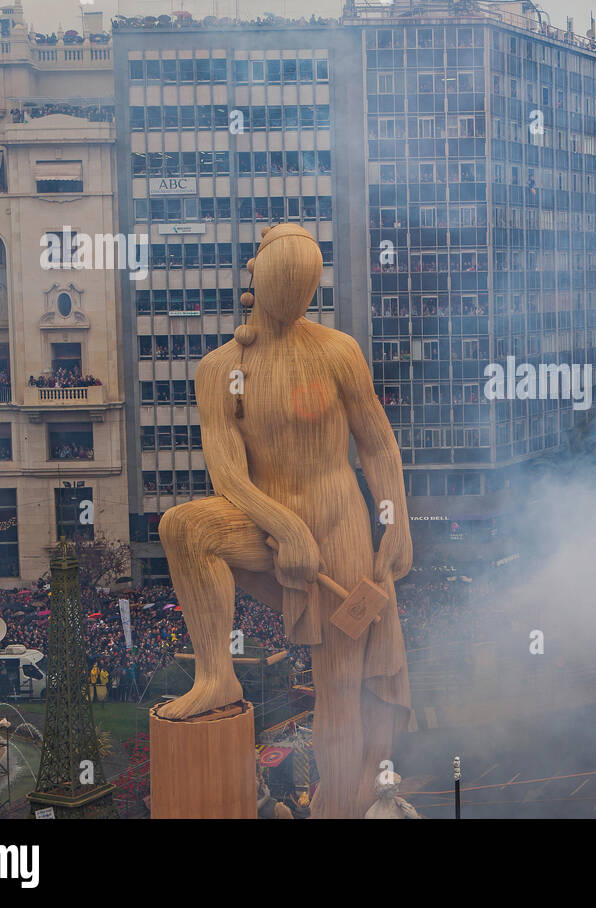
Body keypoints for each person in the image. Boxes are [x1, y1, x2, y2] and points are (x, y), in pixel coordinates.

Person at [155, 224, 413, 819]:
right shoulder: (221, 370)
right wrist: (286, 528)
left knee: (340, 686)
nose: (294, 299)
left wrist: (394, 522)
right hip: (265, 523)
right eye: (284, 286)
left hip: (340, 522)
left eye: (304, 289)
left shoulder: (336, 350)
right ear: (257, 277)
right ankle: (217, 673)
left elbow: (377, 445)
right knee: (184, 527)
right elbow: (227, 473)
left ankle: (340, 806)